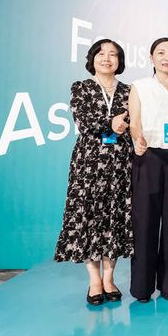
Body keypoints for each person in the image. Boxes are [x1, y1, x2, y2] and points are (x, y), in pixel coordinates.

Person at [55, 39, 133, 305]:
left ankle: (109, 278)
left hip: (121, 163)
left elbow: (135, 122)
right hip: (88, 163)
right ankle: (94, 281)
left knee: (114, 218)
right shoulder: (81, 87)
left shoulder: (129, 91)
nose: (107, 59)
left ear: (120, 61)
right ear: (92, 58)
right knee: (89, 217)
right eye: (101, 54)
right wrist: (112, 123)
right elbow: (84, 121)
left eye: (113, 54)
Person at [128, 37, 168, 302]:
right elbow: (134, 122)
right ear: (151, 57)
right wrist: (137, 138)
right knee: (145, 222)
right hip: (149, 156)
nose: (167, 58)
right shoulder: (140, 86)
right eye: (161, 53)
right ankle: (142, 287)